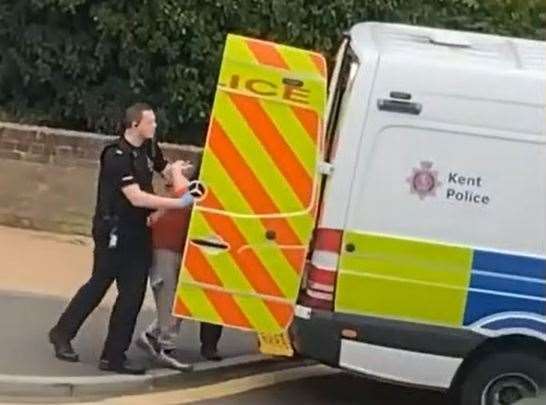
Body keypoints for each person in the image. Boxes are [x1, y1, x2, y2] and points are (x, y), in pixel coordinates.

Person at [48, 103, 198, 375]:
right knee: (99, 284)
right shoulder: (116, 155)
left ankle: (113, 356)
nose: (154, 127)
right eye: (150, 122)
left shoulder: (150, 148)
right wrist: (178, 203)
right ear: (134, 125)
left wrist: (177, 171)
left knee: (132, 295)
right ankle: (61, 333)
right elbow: (136, 197)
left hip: (140, 232)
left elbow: (165, 171)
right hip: (113, 231)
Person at [137, 160, 223, 371]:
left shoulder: (192, 191)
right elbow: (184, 192)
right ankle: (165, 347)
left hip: (177, 251)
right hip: (163, 251)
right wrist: (175, 170)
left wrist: (176, 171)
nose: (186, 165)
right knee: (168, 299)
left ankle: (152, 335)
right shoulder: (182, 191)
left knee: (178, 301)